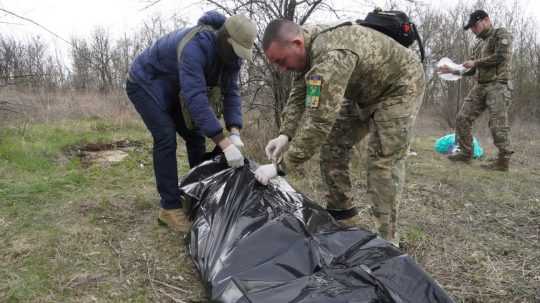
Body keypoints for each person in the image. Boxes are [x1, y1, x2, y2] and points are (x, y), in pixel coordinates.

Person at [254, 19, 425, 245]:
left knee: (382, 164)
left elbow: (319, 122)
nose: (282, 68)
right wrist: (285, 135)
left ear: (296, 43)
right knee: (333, 144)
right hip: (364, 93)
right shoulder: (306, 49)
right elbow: (299, 93)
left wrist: (279, 167)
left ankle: (387, 241)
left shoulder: (331, 54)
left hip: (399, 88)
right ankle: (342, 215)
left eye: (282, 61)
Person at [125, 11, 256, 232]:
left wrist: (234, 131)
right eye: (236, 51)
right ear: (226, 40)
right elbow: (196, 98)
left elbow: (231, 92)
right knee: (165, 136)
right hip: (146, 82)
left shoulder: (232, 58)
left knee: (195, 136)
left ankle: (199, 192)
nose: (238, 57)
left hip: (176, 88)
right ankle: (170, 207)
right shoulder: (196, 47)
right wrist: (223, 144)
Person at [438, 10, 513, 171]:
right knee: (462, 118)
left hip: (498, 84)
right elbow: (471, 70)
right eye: (471, 27)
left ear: (486, 20)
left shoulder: (500, 33)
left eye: (475, 25)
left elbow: (501, 56)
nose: (473, 29)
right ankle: (466, 152)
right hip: (481, 85)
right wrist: (452, 71)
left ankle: (503, 161)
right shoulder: (478, 44)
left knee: (497, 124)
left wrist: (476, 63)